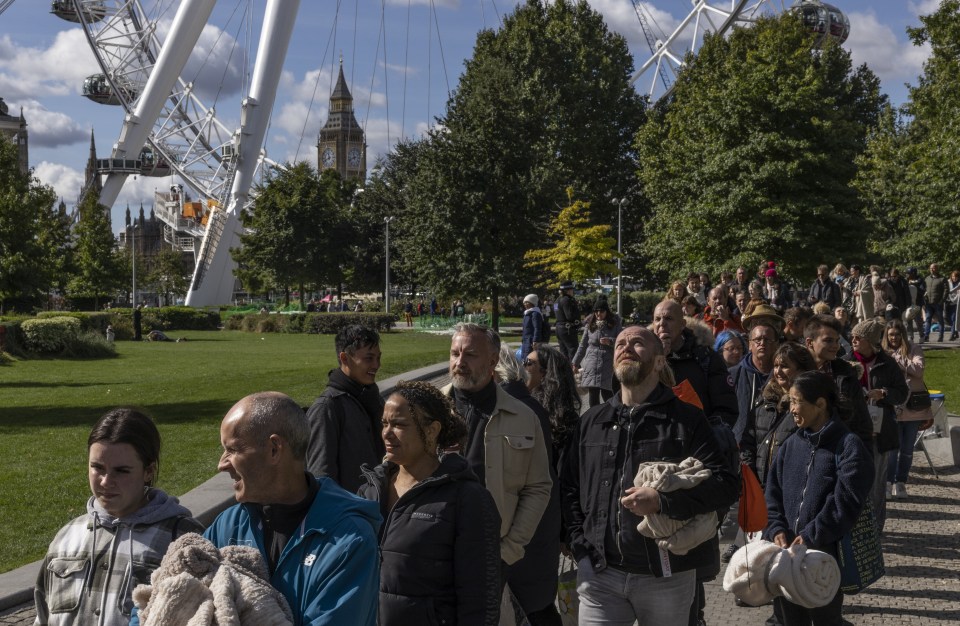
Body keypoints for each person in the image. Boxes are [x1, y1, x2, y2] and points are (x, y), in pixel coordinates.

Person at [561, 326, 738, 626]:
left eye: (637, 343)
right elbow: (568, 487)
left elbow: (726, 486)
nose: (626, 348)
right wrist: (580, 545)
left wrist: (662, 501)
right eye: (620, 344)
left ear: (659, 361)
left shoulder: (687, 420)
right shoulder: (591, 421)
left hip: (667, 574)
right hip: (601, 575)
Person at [205, 392, 381, 626]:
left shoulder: (349, 540)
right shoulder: (228, 525)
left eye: (233, 449)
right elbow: (167, 593)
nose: (221, 464)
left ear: (274, 449)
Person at [36, 408, 204, 626]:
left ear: (149, 471)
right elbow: (42, 617)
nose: (106, 481)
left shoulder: (183, 539)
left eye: (121, 471)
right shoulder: (66, 537)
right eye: (97, 468)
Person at [358, 381, 501, 626]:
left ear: (432, 430)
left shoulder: (467, 498)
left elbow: (480, 598)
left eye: (399, 425)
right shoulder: (369, 490)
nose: (387, 433)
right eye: (384, 423)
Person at [443, 323, 553, 580]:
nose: (459, 362)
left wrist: (510, 549)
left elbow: (538, 487)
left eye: (470, 354)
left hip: (489, 555)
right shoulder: (425, 410)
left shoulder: (523, 416)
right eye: (454, 353)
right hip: (432, 550)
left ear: (493, 361)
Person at [764, 371, 874, 626]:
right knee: (786, 620)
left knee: (825, 620)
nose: (791, 408)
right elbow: (772, 493)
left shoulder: (849, 446)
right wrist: (776, 527)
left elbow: (846, 501)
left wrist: (813, 534)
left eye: (796, 400)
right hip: (785, 557)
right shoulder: (790, 444)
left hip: (823, 558)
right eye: (790, 401)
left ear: (821, 404)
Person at [305, 324, 385, 492]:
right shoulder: (327, 407)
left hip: (377, 508)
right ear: (345, 358)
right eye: (369, 358)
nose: (376, 365)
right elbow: (321, 477)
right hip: (349, 513)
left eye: (378, 358)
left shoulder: (373, 399)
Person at [846, 318, 908, 532]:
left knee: (877, 484)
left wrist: (883, 393)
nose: (853, 340)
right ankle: (854, 526)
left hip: (879, 432)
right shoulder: (846, 362)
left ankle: (875, 527)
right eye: (852, 336)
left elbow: (902, 393)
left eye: (858, 338)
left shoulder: (887, 362)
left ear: (871, 342)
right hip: (853, 429)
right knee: (852, 479)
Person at [653, 299, 739, 429]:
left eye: (669, 318)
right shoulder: (644, 358)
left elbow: (726, 407)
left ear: (682, 324)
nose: (662, 324)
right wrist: (659, 358)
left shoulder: (705, 357)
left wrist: (708, 436)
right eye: (657, 319)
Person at [803, 314, 874, 448]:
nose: (835, 346)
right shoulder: (791, 369)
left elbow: (862, 421)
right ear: (809, 342)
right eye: (828, 340)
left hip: (839, 451)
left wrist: (864, 457)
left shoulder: (846, 372)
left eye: (837, 340)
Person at [883, 319, 934, 499]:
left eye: (897, 334)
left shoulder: (914, 349)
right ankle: (888, 483)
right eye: (890, 335)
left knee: (907, 450)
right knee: (892, 450)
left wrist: (898, 357)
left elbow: (918, 370)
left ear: (903, 334)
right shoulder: (883, 352)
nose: (894, 338)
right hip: (893, 406)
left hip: (913, 408)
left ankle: (901, 482)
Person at [525, 345, 582, 472]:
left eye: (528, 363)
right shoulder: (521, 407)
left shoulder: (568, 421)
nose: (522, 367)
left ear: (545, 373)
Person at [572, 295, 623, 408]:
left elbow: (621, 341)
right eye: (596, 312)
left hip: (608, 363)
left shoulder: (615, 323)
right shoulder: (590, 325)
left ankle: (612, 417)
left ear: (607, 312)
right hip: (592, 363)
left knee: (608, 395)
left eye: (601, 311)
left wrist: (610, 341)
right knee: (593, 396)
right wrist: (575, 362)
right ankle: (594, 419)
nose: (598, 314)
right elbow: (583, 345)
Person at [554, 281, 581, 361]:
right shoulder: (567, 300)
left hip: (559, 328)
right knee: (573, 350)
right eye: (571, 290)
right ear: (567, 290)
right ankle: (574, 370)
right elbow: (569, 316)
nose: (572, 292)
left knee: (563, 351)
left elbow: (556, 312)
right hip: (567, 329)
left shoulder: (557, 300)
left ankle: (564, 370)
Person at [923, 263, 946, 342]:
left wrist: (941, 301)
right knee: (928, 319)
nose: (931, 270)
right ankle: (926, 336)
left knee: (940, 320)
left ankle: (941, 336)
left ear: (937, 269)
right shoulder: (927, 279)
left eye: (933, 268)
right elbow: (924, 289)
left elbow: (946, 291)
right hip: (928, 303)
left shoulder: (942, 279)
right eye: (930, 268)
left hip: (938, 303)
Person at [521, 293, 545, 360]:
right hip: (525, 340)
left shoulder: (535, 314)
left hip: (531, 341)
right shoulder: (527, 313)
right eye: (524, 302)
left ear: (532, 303)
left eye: (527, 302)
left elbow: (537, 328)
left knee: (530, 357)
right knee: (524, 357)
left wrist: (535, 340)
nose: (525, 304)